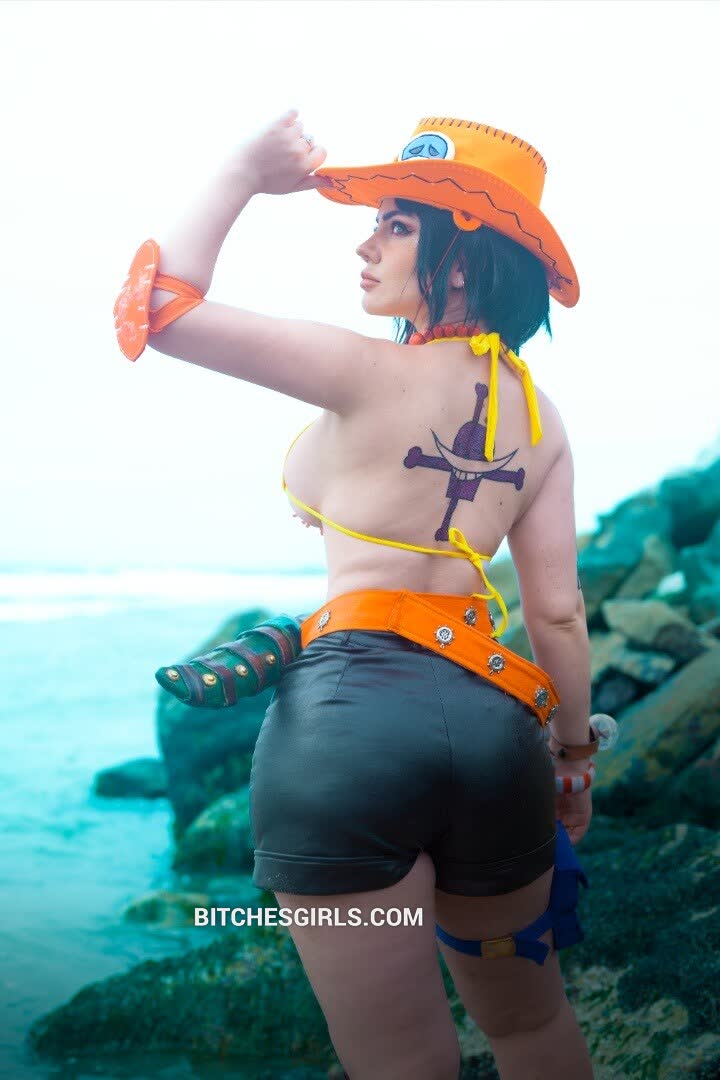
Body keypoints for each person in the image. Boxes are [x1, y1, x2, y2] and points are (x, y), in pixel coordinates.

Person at [114, 110, 595, 1079]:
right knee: (530, 1026)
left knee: (399, 1060)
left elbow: (158, 308)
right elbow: (557, 614)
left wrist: (242, 170)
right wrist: (574, 763)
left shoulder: (363, 369)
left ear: (461, 264)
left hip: (348, 737)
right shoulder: (540, 422)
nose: (365, 245)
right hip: (498, 737)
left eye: (396, 226)